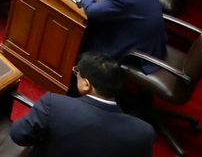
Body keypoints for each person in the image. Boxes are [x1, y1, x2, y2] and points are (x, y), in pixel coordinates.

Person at [10, 53, 153, 157]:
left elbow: (18, 135)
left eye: (77, 73)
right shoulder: (143, 132)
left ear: (86, 84)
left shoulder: (54, 104)